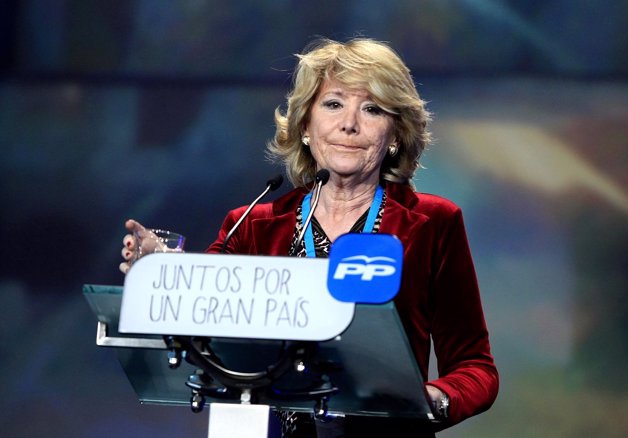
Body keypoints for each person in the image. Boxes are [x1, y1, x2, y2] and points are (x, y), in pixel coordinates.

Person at [121, 38, 498, 436]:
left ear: (395, 136)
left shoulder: (430, 223)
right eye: (333, 104)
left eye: (371, 109)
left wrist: (431, 399)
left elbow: (476, 368)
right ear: (305, 125)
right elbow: (203, 319)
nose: (348, 123)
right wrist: (163, 271)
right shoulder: (253, 224)